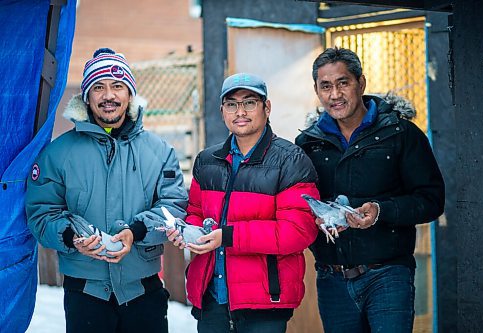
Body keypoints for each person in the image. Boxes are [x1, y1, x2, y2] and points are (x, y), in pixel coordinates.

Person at [25, 48, 188, 333]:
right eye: (98, 87)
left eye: (117, 86)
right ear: (86, 96)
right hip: (85, 294)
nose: (108, 95)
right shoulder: (58, 153)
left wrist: (136, 231)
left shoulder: (159, 151)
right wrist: (71, 236)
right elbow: (41, 214)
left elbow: (173, 207)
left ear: (129, 94)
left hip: (143, 291)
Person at [295, 47, 445, 333]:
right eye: (325, 86)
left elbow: (432, 200)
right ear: (316, 90)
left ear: (360, 83)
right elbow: (299, 204)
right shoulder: (307, 144)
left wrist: (381, 211)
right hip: (332, 279)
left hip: (388, 275)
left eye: (343, 83)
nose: (335, 94)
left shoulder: (400, 133)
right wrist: (317, 219)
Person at [168, 73, 320, 333]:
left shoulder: (291, 160)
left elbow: (298, 231)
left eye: (249, 102)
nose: (241, 112)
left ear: (266, 107)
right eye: (232, 104)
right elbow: (194, 212)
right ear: (222, 111)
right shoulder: (207, 161)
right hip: (212, 298)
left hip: (264, 301)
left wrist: (228, 236)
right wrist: (186, 231)